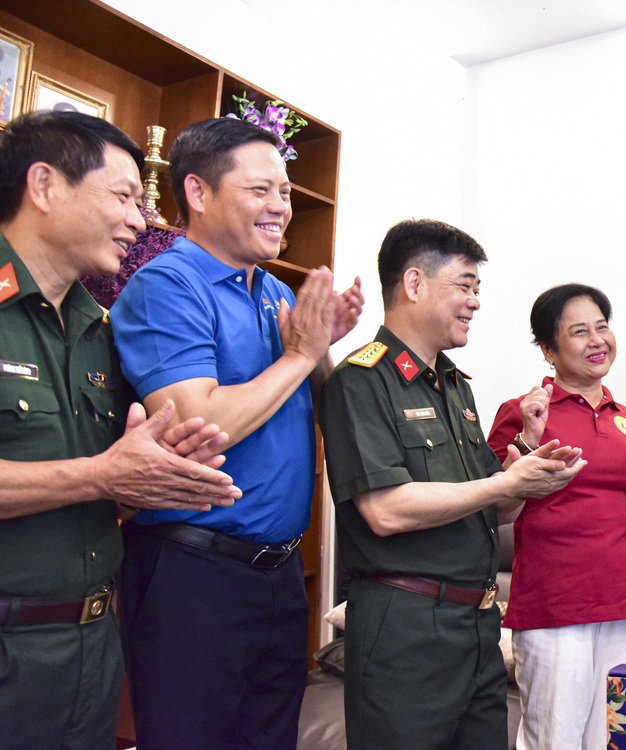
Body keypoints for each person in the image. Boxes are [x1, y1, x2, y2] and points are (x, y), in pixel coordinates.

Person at [109, 117, 364, 750]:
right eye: (260, 190)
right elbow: (201, 422)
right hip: (192, 572)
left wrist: (321, 351)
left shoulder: (273, 290)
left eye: (285, 191)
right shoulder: (167, 286)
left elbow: (323, 407)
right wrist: (300, 355)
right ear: (197, 192)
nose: (281, 205)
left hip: (278, 573)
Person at [0, 111, 240, 749]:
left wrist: (153, 476)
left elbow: (105, 494)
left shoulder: (99, 330)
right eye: (125, 196)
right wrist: (102, 474)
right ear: (45, 185)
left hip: (91, 645)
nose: (141, 220)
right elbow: (94, 476)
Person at [318, 219, 587, 750]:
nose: (475, 302)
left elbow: (496, 510)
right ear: (414, 284)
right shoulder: (361, 381)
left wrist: (529, 467)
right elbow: (385, 510)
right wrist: (503, 485)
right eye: (465, 286)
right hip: (406, 628)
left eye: (477, 289)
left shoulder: (453, 386)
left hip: (477, 627)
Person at [485, 283, 626, 750]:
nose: (597, 340)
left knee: (612, 741)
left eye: (602, 327)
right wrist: (528, 439)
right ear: (548, 349)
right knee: (554, 741)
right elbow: (495, 509)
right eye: (579, 332)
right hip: (555, 604)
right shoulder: (523, 412)